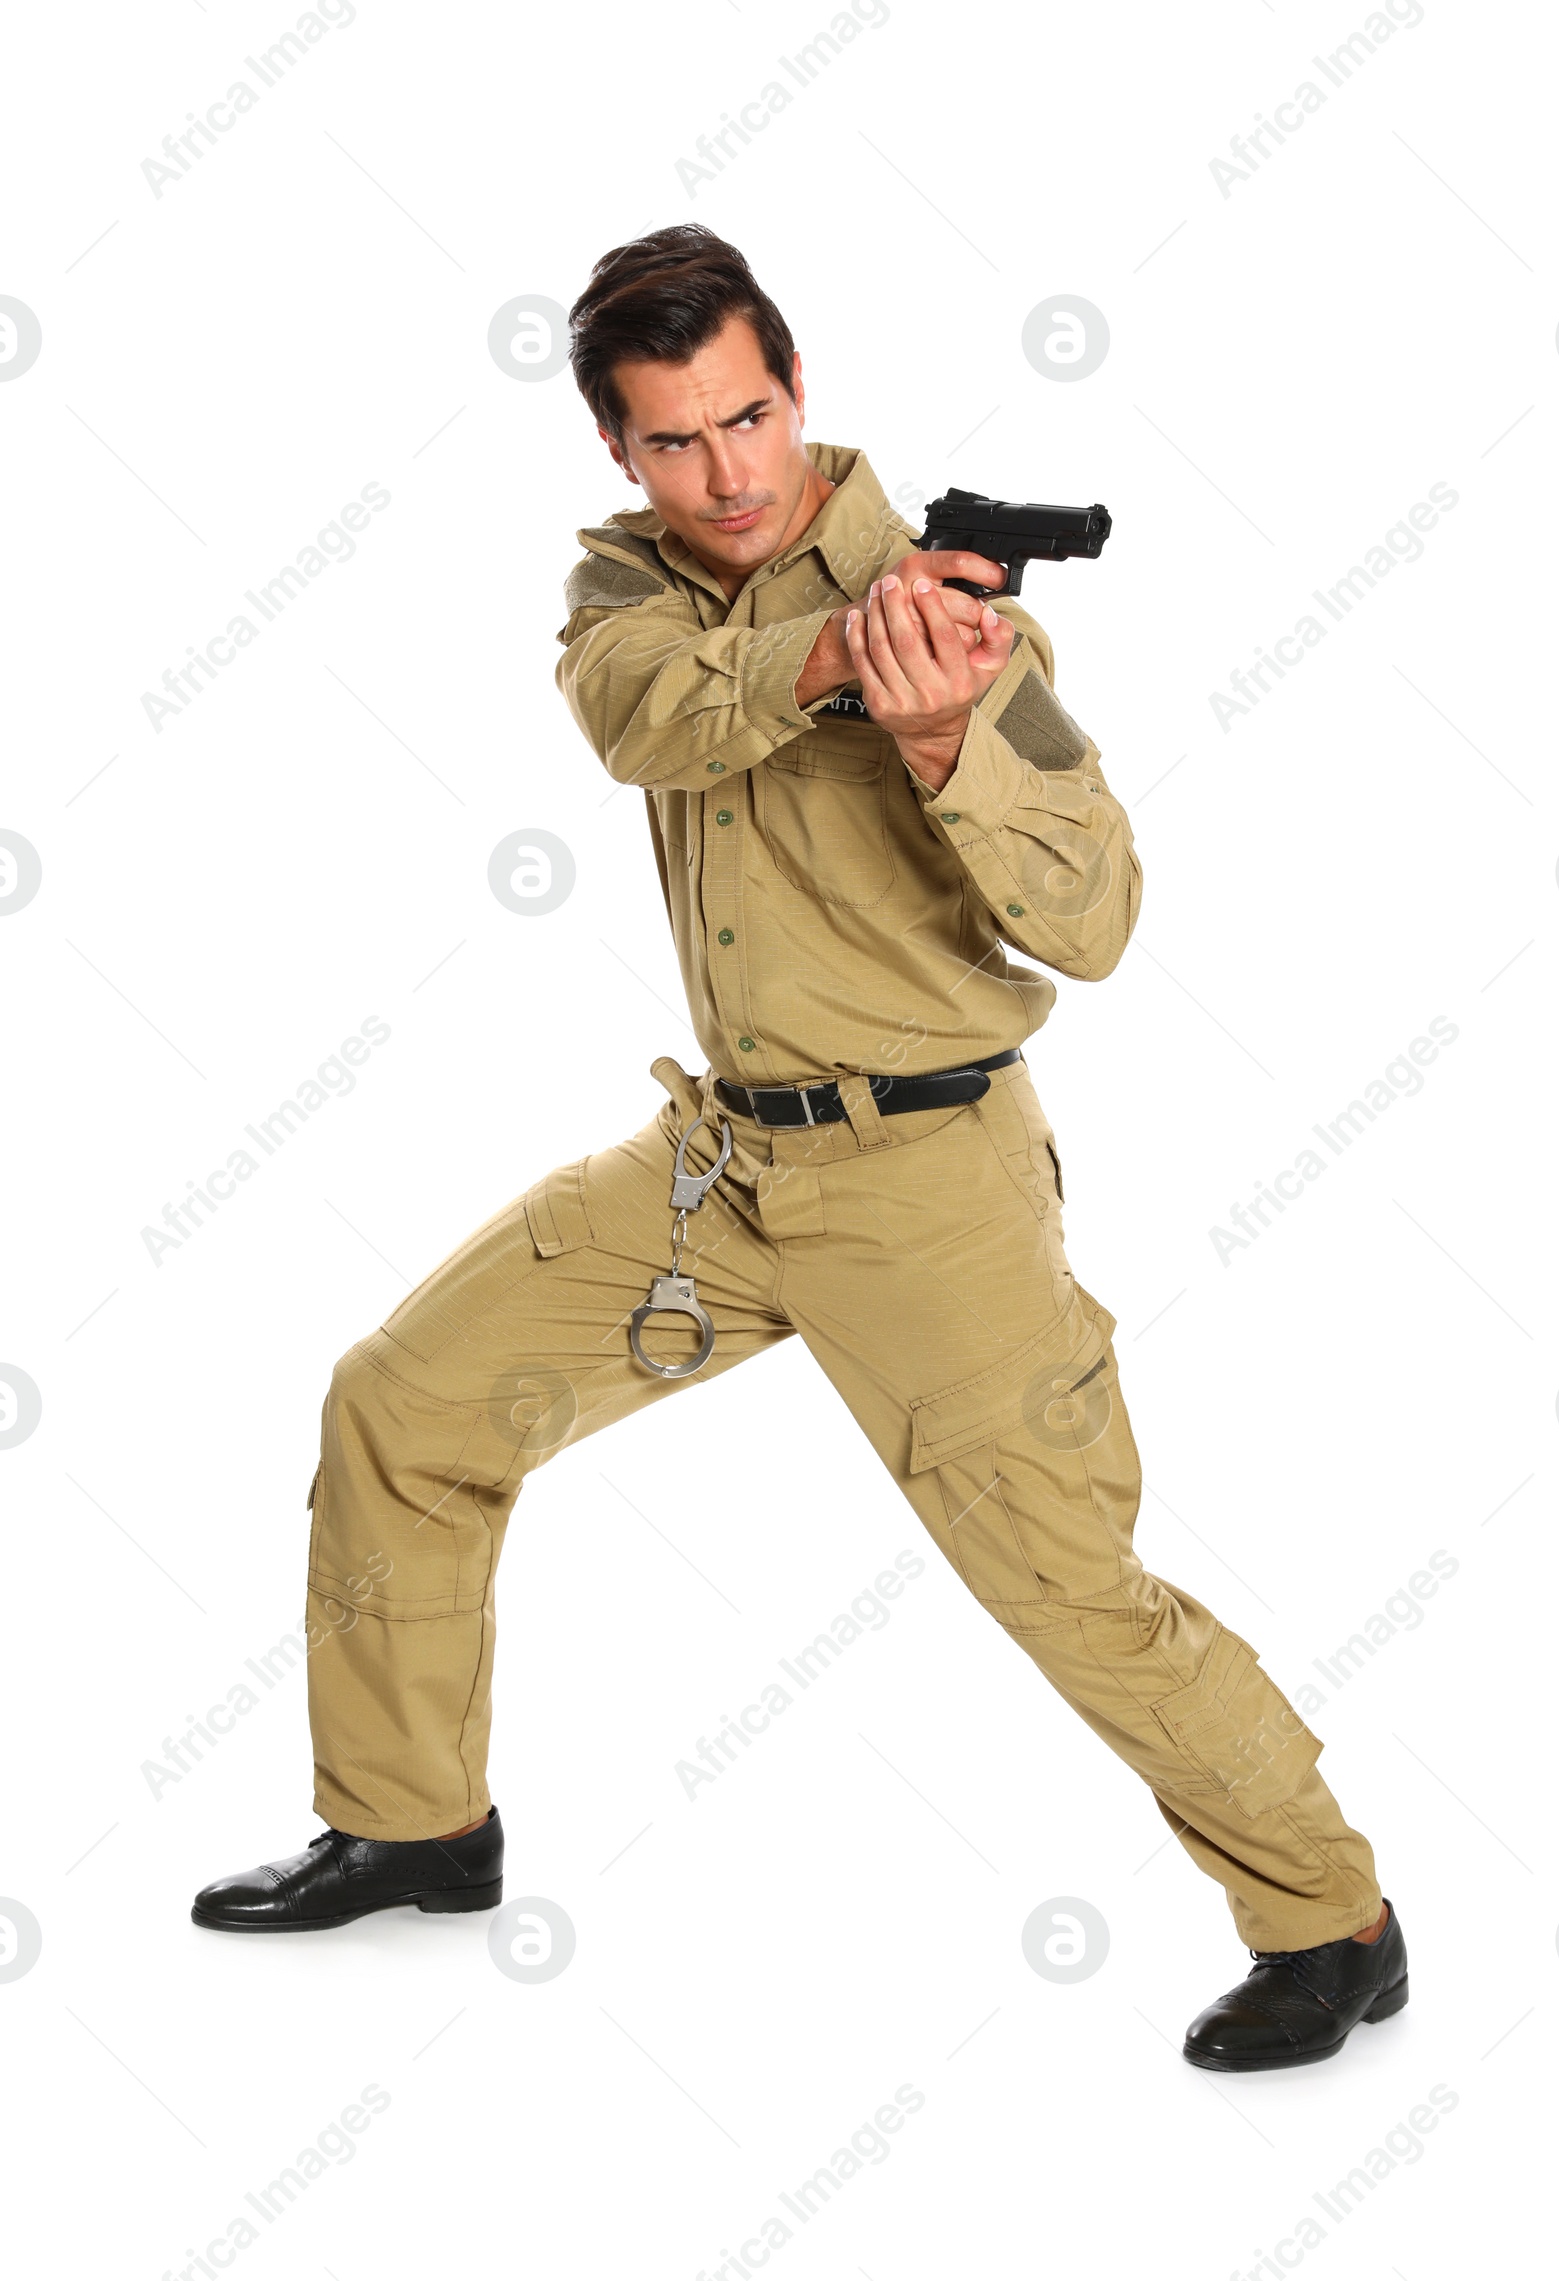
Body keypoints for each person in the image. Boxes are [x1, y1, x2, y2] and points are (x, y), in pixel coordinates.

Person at [191, 225, 1405, 2072]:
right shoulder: (627, 594)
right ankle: (414, 1819)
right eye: (675, 440)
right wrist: (840, 654)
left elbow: (1096, 923)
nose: (727, 471)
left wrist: (943, 741)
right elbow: (641, 721)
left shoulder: (976, 632)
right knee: (402, 1402)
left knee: (1069, 1583)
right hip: (720, 1168)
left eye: (748, 417)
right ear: (620, 453)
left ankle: (1334, 1921)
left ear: (799, 388)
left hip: (927, 1186)